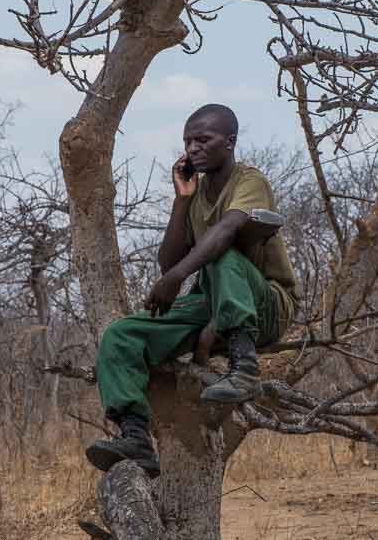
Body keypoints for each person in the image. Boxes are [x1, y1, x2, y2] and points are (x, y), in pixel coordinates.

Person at [85, 104, 298, 478]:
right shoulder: (196, 193)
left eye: (203, 139)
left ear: (229, 143)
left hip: (265, 305)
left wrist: (177, 277)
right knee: (122, 335)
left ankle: (243, 364)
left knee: (222, 254)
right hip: (211, 303)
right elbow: (168, 263)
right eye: (188, 141)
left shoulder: (250, 181)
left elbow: (225, 233)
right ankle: (135, 436)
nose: (193, 148)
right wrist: (182, 200)